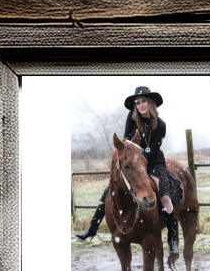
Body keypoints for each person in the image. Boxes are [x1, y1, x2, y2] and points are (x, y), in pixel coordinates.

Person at [76, 86, 183, 256]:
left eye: (144, 101)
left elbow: (154, 150)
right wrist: (131, 156)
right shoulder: (132, 118)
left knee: (165, 196)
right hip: (133, 162)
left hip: (154, 162)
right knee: (110, 190)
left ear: (151, 103)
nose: (140, 105)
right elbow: (126, 140)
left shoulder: (160, 125)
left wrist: (140, 154)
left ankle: (172, 237)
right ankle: (92, 227)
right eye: (138, 102)